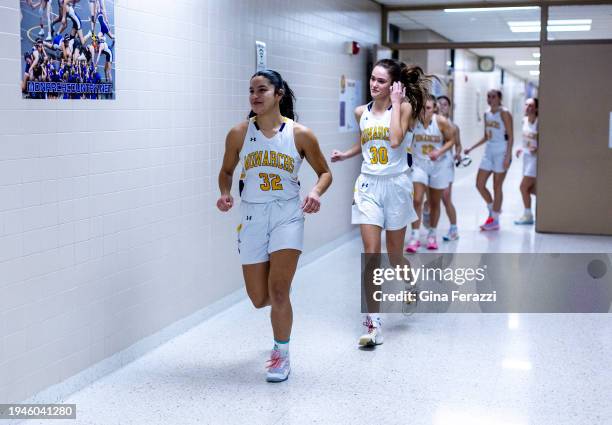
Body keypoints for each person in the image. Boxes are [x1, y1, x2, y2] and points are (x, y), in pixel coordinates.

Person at [217, 70, 332, 382]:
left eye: (262, 90)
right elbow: (226, 171)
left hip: (287, 215)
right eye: (251, 90)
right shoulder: (239, 133)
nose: (255, 96)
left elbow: (325, 172)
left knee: (279, 293)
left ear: (278, 94)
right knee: (259, 299)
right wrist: (225, 194)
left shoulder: (300, 135)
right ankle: (279, 292)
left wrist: (315, 192)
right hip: (252, 216)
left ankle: (281, 353)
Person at [330, 59, 431, 347]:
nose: (375, 84)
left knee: (395, 255)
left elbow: (396, 140)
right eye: (373, 79)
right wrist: (345, 155)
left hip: (397, 186)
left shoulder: (405, 108)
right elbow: (367, 143)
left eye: (381, 81)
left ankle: (411, 283)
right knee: (372, 254)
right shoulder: (360, 111)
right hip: (368, 187)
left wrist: (397, 103)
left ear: (394, 85)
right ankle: (373, 324)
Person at [405, 95, 456, 252]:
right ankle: (414, 236)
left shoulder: (440, 121)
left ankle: (432, 234)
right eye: (421, 108)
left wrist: (439, 151)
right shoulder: (414, 121)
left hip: (438, 165)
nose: (423, 111)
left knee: (434, 203)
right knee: (417, 200)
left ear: (434, 108)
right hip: (419, 164)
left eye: (427, 108)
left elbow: (451, 140)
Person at [464, 89, 513, 231]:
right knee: (479, 184)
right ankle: (493, 208)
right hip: (489, 151)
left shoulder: (504, 113)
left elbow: (511, 136)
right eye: (488, 97)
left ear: (499, 98)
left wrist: (508, 156)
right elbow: (486, 136)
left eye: (493, 97)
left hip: (502, 151)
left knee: (497, 186)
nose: (490, 99)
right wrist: (471, 148)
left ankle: (494, 220)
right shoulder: (486, 114)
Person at [437, 95, 462, 241]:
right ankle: (430, 226)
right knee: (429, 198)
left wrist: (458, 154)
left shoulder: (453, 127)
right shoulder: (430, 123)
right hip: (430, 165)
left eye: (445, 104)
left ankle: (454, 229)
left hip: (446, 164)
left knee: (446, 197)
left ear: (449, 107)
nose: (441, 106)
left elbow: (458, 145)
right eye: (439, 104)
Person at [515, 97, 538, 225]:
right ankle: (531, 213)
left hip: (535, 160)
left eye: (531, 105)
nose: (528, 108)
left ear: (536, 108)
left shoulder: (539, 122)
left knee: (523, 187)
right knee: (532, 189)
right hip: (526, 158)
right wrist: (521, 148)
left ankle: (528, 215)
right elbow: (526, 139)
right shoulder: (524, 121)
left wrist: (538, 148)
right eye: (526, 105)